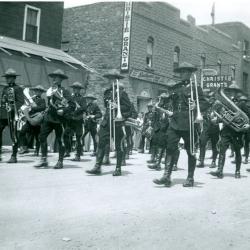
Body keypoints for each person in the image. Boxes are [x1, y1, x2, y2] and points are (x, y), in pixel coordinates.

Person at [153, 62, 206, 187]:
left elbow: (205, 103)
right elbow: (170, 101)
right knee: (170, 148)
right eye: (181, 72)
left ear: (190, 73)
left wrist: (196, 106)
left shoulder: (196, 88)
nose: (183, 74)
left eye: (185, 72)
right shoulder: (176, 87)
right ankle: (166, 176)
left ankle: (190, 178)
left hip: (189, 123)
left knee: (191, 151)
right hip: (175, 123)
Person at [86, 69, 132, 176]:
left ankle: (118, 168)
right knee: (101, 143)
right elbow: (107, 108)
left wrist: (118, 107)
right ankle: (97, 166)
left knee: (118, 145)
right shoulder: (106, 92)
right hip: (106, 121)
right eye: (109, 78)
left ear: (116, 80)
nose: (109, 81)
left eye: (112, 78)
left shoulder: (122, 93)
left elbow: (129, 109)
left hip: (117, 122)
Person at [34, 69, 75, 169]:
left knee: (59, 140)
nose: (54, 79)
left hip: (59, 119)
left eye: (56, 78)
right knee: (42, 136)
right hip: (49, 118)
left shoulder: (65, 92)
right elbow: (50, 103)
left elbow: (72, 105)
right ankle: (44, 159)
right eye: (53, 78)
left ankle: (60, 161)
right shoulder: (49, 90)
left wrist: (63, 111)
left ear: (61, 79)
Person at [211, 87, 250, 178]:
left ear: (237, 93)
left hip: (237, 132)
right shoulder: (226, 103)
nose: (232, 93)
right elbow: (225, 117)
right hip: (226, 131)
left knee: (237, 151)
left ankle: (237, 171)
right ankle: (219, 171)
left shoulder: (242, 104)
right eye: (230, 91)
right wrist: (216, 120)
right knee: (222, 150)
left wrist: (248, 125)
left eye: (234, 91)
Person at [0, 68, 24, 163]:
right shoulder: (5, 88)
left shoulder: (18, 89)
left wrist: (13, 108)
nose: (7, 79)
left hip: (12, 115)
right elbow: (3, 100)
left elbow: (20, 102)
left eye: (9, 78)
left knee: (13, 135)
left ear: (14, 78)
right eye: (6, 78)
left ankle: (14, 156)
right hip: (3, 115)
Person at [19, 85, 47, 156]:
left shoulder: (42, 100)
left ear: (41, 92)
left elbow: (42, 108)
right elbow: (25, 106)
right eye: (36, 91)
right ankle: (25, 147)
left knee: (37, 137)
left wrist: (32, 108)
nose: (37, 92)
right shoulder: (31, 98)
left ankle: (37, 151)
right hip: (30, 119)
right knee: (22, 131)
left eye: (39, 91)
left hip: (37, 120)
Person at [63, 82, 87, 161]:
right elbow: (67, 106)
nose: (74, 90)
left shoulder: (82, 98)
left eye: (76, 88)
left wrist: (75, 112)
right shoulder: (70, 98)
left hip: (78, 120)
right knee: (65, 135)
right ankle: (67, 151)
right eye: (74, 88)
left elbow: (84, 108)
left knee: (78, 138)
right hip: (70, 120)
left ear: (79, 90)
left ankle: (78, 155)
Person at [148, 92, 172, 171]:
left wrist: (161, 110)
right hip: (158, 128)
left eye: (161, 98)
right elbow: (155, 118)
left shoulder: (169, 106)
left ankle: (171, 164)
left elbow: (169, 116)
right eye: (159, 98)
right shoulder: (158, 107)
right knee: (158, 144)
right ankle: (157, 163)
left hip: (167, 128)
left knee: (167, 147)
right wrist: (152, 127)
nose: (160, 100)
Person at [196, 92, 220, 168]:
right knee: (202, 142)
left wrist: (218, 119)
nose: (210, 99)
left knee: (214, 145)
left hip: (215, 127)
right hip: (206, 127)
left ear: (214, 98)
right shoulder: (206, 105)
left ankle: (213, 161)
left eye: (211, 98)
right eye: (209, 97)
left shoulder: (218, 106)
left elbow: (223, 116)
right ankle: (201, 161)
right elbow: (200, 110)